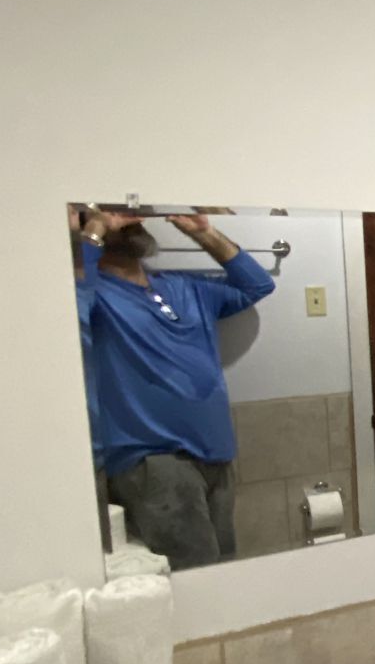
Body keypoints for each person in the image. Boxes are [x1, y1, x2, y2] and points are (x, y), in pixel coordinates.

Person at [72, 206, 274, 569]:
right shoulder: (96, 294)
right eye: (111, 214)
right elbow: (70, 303)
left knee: (224, 567)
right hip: (153, 460)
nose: (125, 220)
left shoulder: (182, 286)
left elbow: (257, 284)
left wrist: (203, 233)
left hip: (214, 449)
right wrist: (95, 228)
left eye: (128, 215)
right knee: (194, 571)